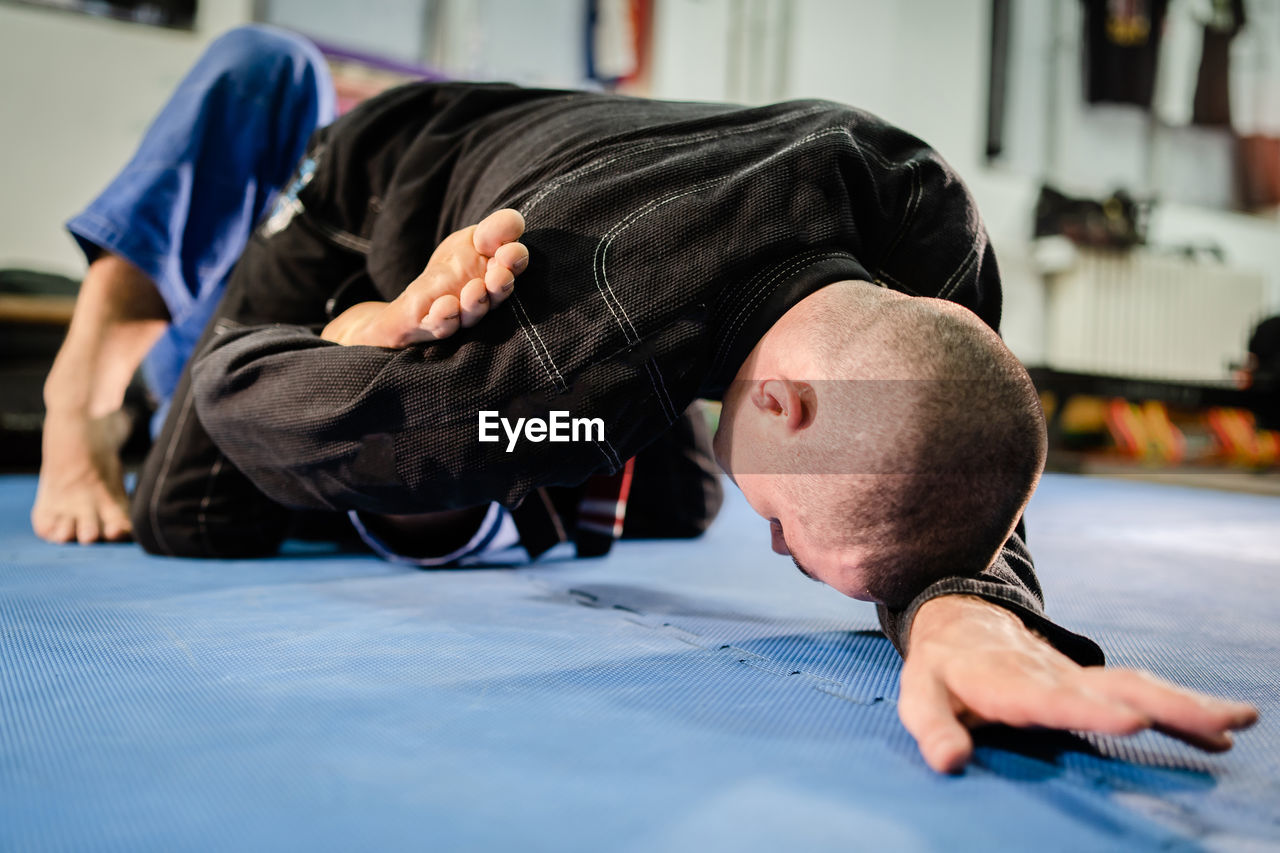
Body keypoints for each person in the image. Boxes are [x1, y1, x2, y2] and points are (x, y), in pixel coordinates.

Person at [32, 26, 1257, 774]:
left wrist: (966, 605)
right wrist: (377, 333)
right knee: (198, 507)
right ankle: (83, 377)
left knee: (666, 494)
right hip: (381, 193)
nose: (768, 545)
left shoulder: (918, 207)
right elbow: (243, 386)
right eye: (791, 537)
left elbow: (941, 439)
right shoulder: (539, 360)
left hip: (584, 181)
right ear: (778, 406)